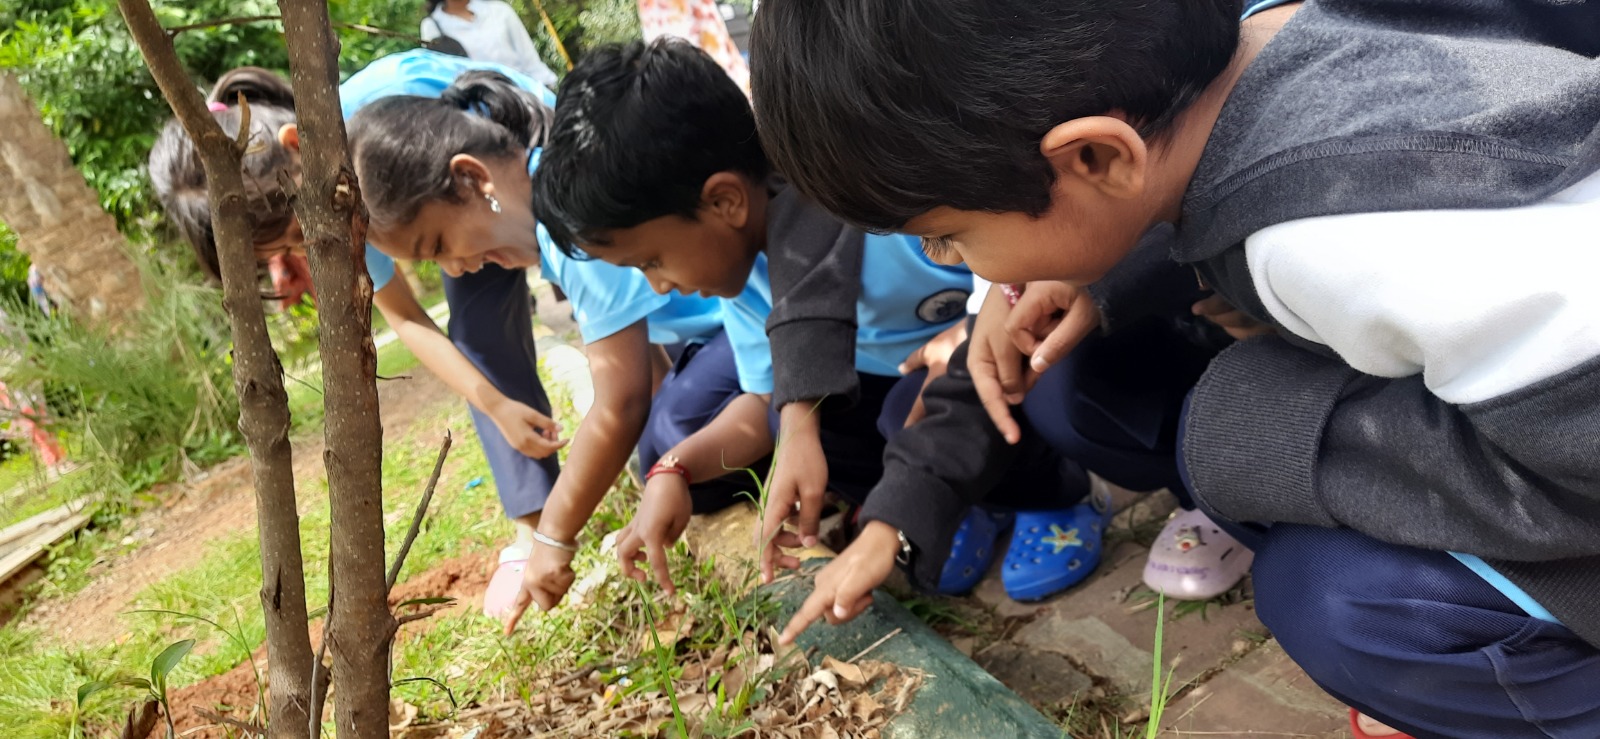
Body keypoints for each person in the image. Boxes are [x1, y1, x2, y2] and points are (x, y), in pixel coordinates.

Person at [748, 1, 1600, 737]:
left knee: (1333, 598)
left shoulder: (1335, 232)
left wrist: (1260, 431)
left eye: (946, 238)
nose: (957, 264)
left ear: (1097, 158)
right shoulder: (1287, 44)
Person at [148, 52, 721, 626]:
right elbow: (408, 318)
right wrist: (497, 405)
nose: (307, 251)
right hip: (487, 214)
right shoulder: (356, 211)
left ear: (299, 148)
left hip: (538, 189)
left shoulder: (400, 110)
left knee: (643, 372)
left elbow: (545, 149)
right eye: (290, 250)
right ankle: (548, 509)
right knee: (495, 335)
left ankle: (647, 428)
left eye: (298, 235)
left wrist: (561, 531)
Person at [528, 39, 1114, 601]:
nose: (658, 286)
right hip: (928, 406)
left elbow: (1016, 282)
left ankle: (1058, 495)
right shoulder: (743, 282)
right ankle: (963, 503)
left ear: (725, 201)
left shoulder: (886, 221)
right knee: (804, 421)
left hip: (1008, 359)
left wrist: (968, 331)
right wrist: (673, 470)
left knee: (900, 407)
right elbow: (763, 406)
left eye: (653, 260)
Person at [344, 62, 736, 630]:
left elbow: (622, 402)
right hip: (727, 336)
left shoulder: (567, 218)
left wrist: (553, 537)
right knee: (665, 441)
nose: (458, 268)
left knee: (671, 436)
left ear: (472, 179)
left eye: (440, 243)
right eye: (434, 262)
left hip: (748, 330)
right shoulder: (551, 217)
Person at [420, 0, 560, 90]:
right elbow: (443, 75)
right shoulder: (432, 26)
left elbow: (530, 61)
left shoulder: (499, 11)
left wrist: (547, 89)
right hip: (478, 110)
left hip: (525, 96)